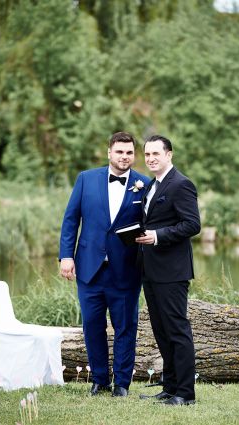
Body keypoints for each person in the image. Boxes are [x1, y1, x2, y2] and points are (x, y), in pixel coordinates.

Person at [59, 131, 150, 397]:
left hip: (126, 270)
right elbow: (70, 220)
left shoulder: (144, 184)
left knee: (125, 328)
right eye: (119, 151)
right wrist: (66, 256)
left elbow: (149, 226)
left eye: (129, 152)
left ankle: (121, 383)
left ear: (134, 155)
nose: (124, 156)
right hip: (89, 269)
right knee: (92, 326)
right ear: (109, 152)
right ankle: (99, 380)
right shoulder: (86, 179)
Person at [135, 135, 201, 406]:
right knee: (161, 331)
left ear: (169, 155)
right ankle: (170, 387)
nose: (150, 158)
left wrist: (157, 236)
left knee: (177, 331)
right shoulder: (151, 185)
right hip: (150, 271)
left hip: (172, 272)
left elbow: (192, 224)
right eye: (147, 154)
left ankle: (186, 393)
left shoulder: (181, 184)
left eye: (156, 154)